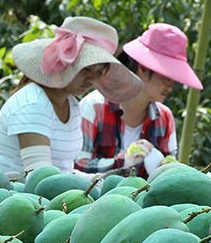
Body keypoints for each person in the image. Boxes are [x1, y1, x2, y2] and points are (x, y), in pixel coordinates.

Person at [0, 17, 141, 178]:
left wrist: (98, 179)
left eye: (98, 72)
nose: (91, 79)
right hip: (17, 198)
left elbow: (64, 172)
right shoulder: (33, 104)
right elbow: (39, 178)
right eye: (86, 70)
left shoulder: (72, 104)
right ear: (63, 63)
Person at [76, 22, 203, 176]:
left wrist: (168, 166)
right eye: (166, 75)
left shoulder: (164, 117)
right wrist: (124, 161)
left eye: (174, 77)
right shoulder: (95, 107)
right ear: (142, 68)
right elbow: (77, 166)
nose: (171, 84)